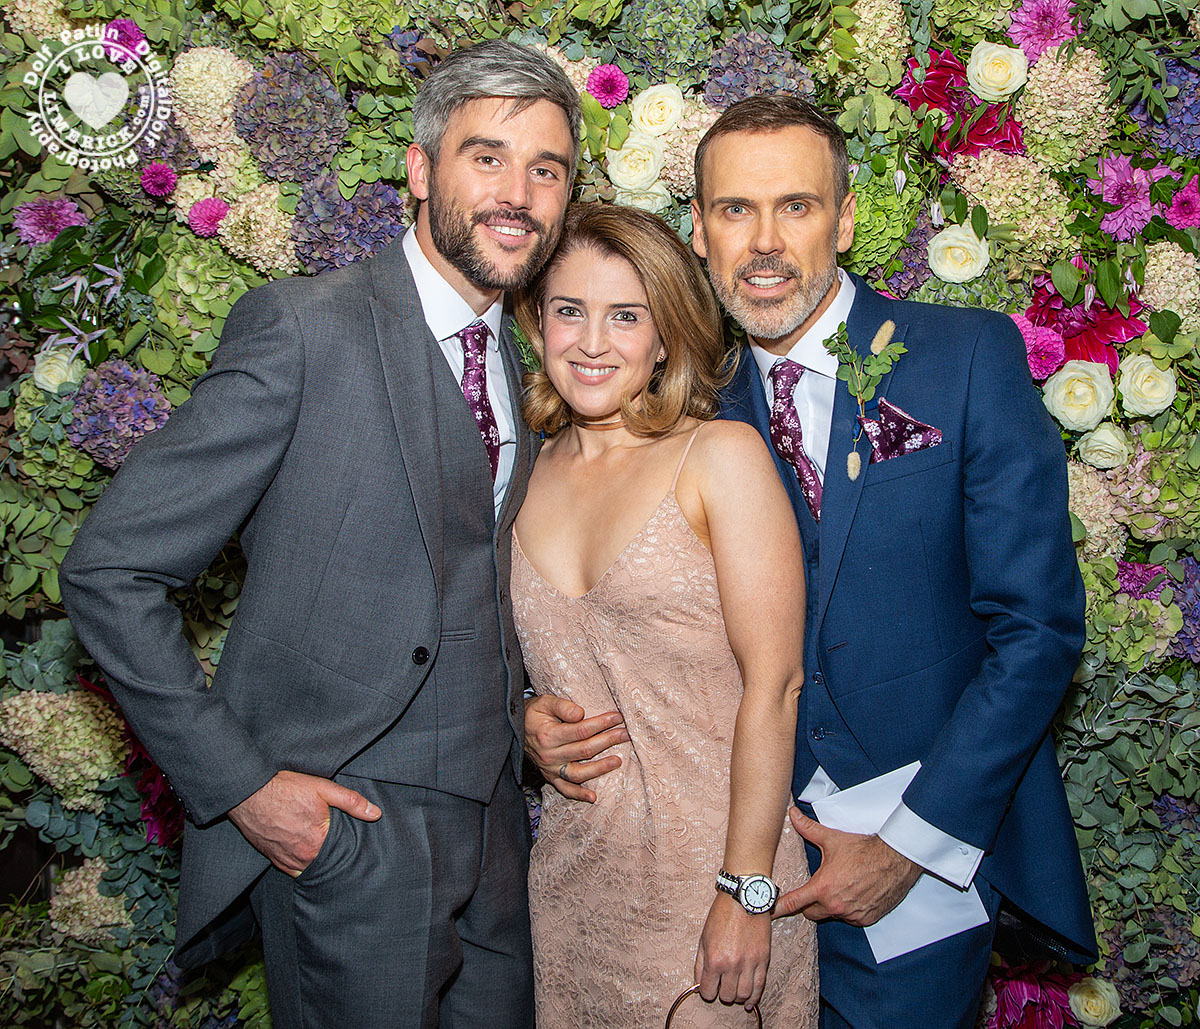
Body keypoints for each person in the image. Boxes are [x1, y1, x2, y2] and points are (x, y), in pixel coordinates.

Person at [528, 96, 1097, 1028]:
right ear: (699, 230)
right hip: (715, 871)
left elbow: (1038, 631)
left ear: (846, 216)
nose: (764, 243)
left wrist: (909, 845)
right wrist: (534, 715)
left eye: (795, 205)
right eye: (734, 210)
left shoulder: (964, 358)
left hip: (918, 870)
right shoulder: (684, 402)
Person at [59, 39, 579, 1028]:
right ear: (420, 170)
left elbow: (461, 578)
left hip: (496, 834)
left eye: (546, 170)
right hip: (348, 831)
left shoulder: (524, 361)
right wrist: (246, 787)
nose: (518, 194)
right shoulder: (304, 329)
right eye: (488, 157)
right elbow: (109, 570)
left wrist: (519, 714)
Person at [515, 203, 818, 1027]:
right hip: (574, 882)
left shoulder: (718, 456)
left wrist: (745, 890)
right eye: (569, 310)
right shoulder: (519, 473)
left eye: (625, 315)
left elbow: (777, 685)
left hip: (713, 883)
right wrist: (525, 718)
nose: (591, 341)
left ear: (664, 338)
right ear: (538, 324)